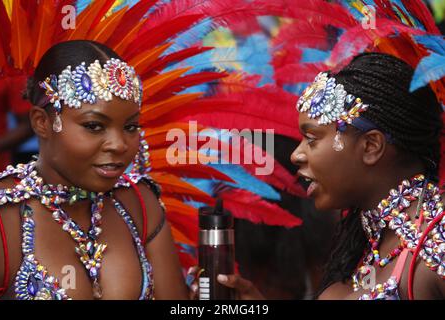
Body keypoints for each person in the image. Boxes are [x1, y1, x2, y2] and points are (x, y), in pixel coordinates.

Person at [188, 52, 445, 300]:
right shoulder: (365, 245)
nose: (296, 156)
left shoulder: (437, 240)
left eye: (311, 139)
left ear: (370, 147)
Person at [0, 40, 188, 300]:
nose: (119, 145)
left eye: (130, 127)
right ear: (42, 123)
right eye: (94, 126)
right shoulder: (2, 217)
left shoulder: (139, 202)